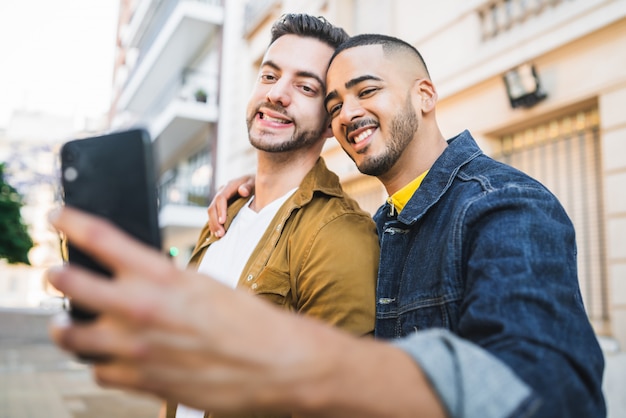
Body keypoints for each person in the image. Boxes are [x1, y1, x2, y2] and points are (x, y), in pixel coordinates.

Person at [47, 33, 606, 417]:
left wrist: (286, 355)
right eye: (336, 102)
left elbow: (553, 395)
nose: (348, 114)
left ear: (426, 95)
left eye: (366, 91)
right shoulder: (386, 222)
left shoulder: (504, 204)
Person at [176, 14, 380, 418]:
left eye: (305, 87)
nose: (278, 95)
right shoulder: (225, 212)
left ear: (330, 120)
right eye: (269, 77)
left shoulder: (340, 235)